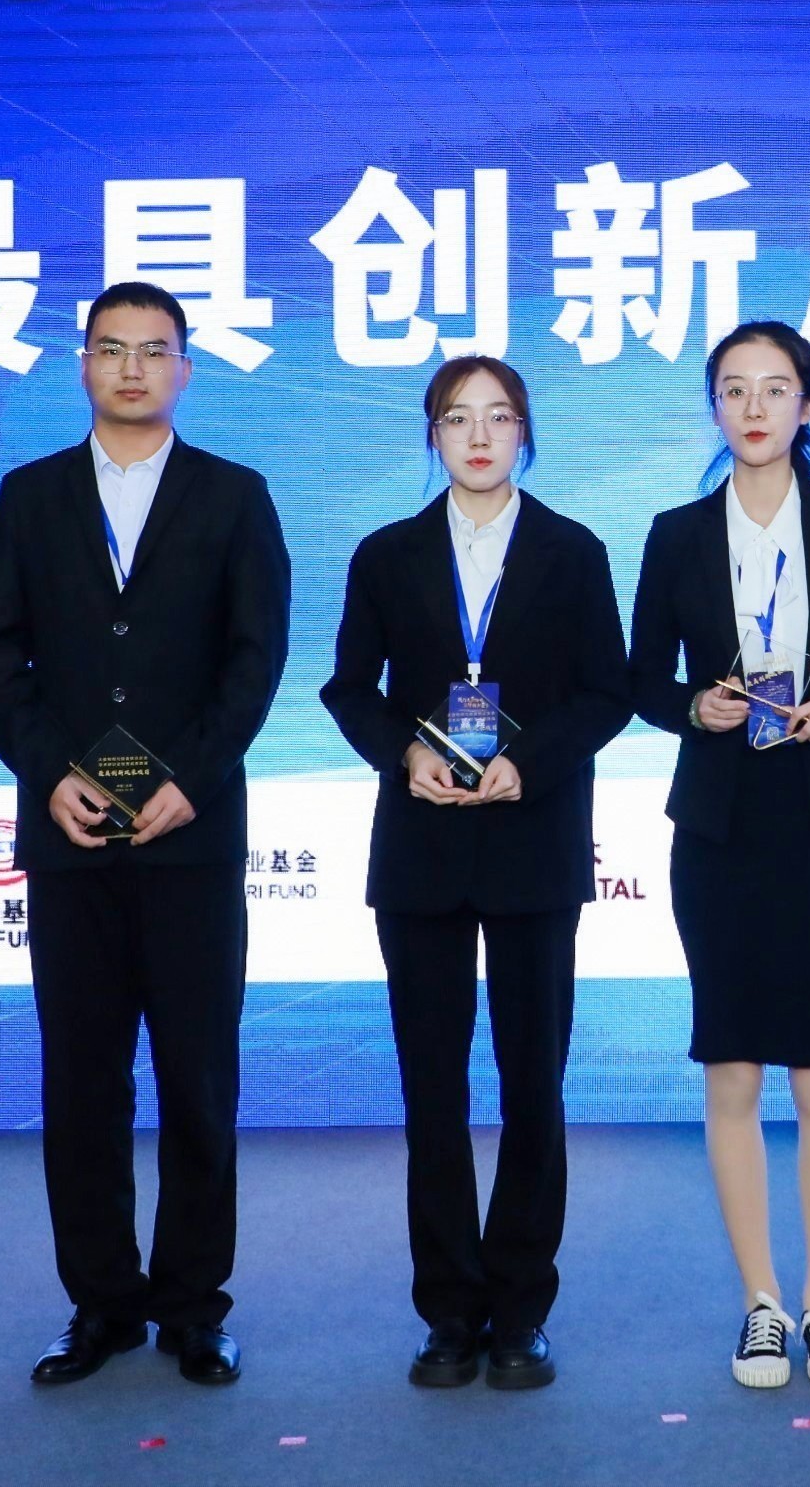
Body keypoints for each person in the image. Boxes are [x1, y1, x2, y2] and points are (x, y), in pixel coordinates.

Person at [0, 282, 290, 1389]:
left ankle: (194, 1304)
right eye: (113, 349)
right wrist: (46, 770)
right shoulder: (30, 495)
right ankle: (100, 1302)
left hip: (190, 837)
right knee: (82, 1082)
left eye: (156, 350)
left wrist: (193, 778)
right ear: (84, 366)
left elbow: (255, 658)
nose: (134, 368)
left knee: (199, 1078)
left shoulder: (236, 495)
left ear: (186, 369)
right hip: (69, 838)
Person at [318, 355, 630, 1393]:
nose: (480, 436)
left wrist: (526, 763)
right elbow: (348, 687)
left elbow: (607, 693)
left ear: (525, 434)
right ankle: (448, 1309)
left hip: (533, 839)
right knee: (433, 1088)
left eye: (499, 417)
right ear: (434, 435)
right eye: (459, 418)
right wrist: (403, 752)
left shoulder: (573, 552)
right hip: (422, 845)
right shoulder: (388, 553)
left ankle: (522, 1307)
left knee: (534, 1084)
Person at [629, 321, 810, 1391]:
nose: (755, 408)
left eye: (776, 388)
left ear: (809, 405)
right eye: (735, 390)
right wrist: (691, 705)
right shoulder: (675, 532)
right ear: (714, 407)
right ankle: (761, 1304)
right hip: (720, 823)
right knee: (735, 1068)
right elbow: (637, 675)